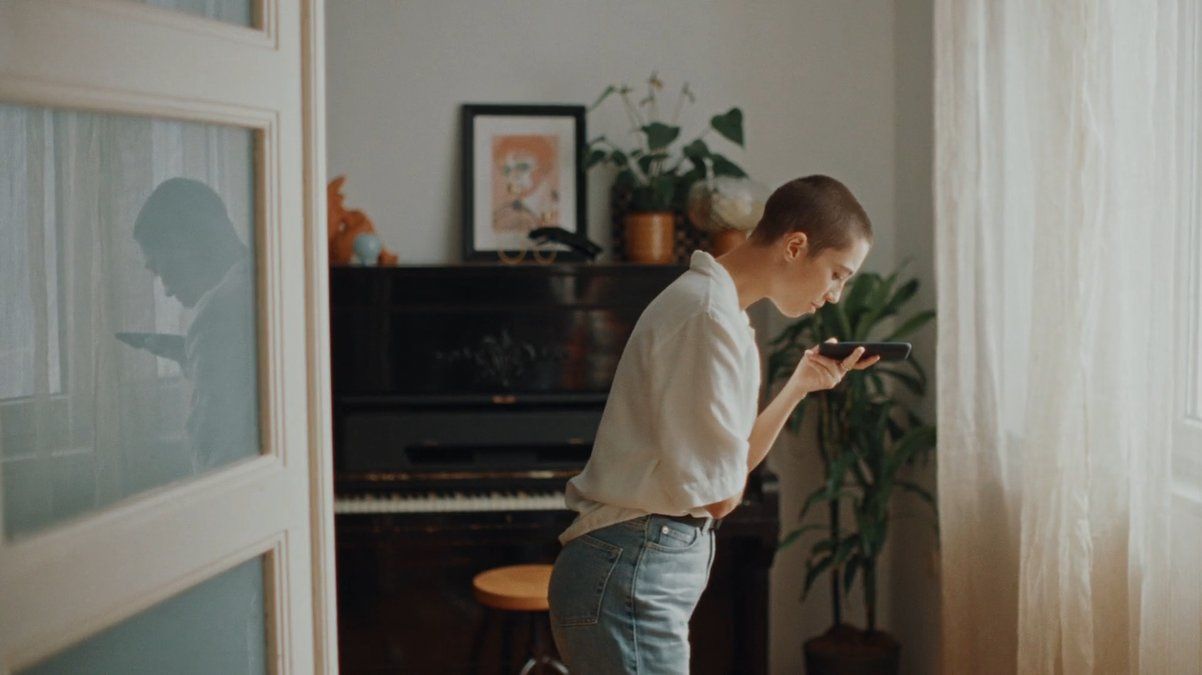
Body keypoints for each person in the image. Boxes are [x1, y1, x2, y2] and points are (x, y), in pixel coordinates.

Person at [547, 175, 880, 674]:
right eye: (838, 273)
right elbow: (722, 494)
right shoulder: (707, 317)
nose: (835, 295)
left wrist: (798, 386)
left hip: (631, 570)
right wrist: (726, 480)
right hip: (629, 573)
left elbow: (726, 474)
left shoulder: (720, 312)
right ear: (795, 246)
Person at [131, 177, 258, 474]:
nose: (166, 289)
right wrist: (196, 358)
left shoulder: (218, 311)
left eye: (162, 267)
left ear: (186, 245)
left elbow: (214, 448)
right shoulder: (262, 276)